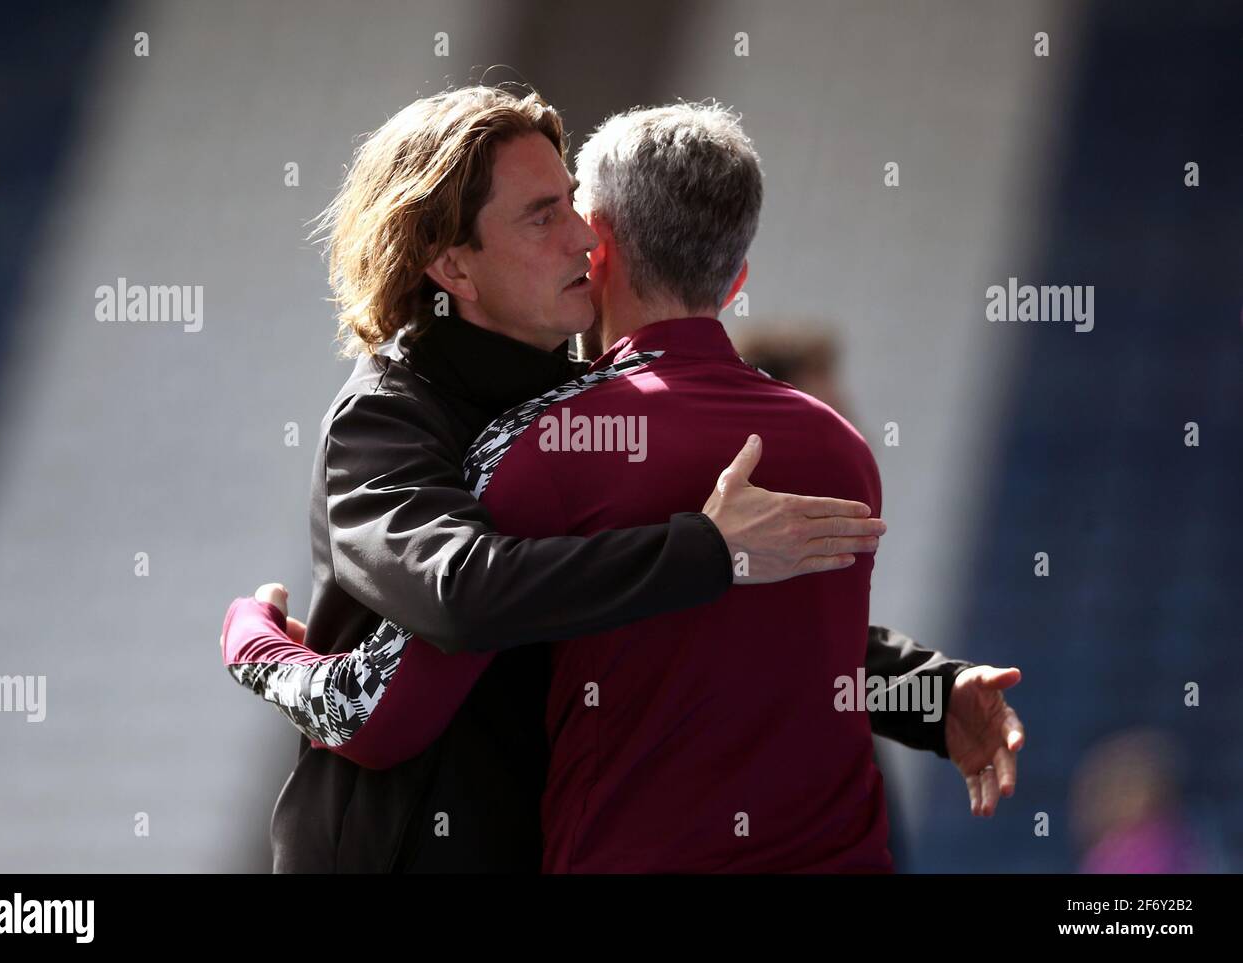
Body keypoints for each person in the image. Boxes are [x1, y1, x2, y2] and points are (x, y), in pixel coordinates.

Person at [222, 87, 1019, 872]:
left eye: (573, 202)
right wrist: (706, 548)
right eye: (543, 215)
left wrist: (930, 691)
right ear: (453, 266)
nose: (584, 237)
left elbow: (720, 621)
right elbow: (459, 594)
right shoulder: (385, 415)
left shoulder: (586, 409)